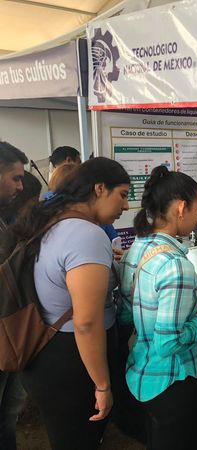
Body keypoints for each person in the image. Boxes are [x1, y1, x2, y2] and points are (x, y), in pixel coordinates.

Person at [8, 157, 130, 450]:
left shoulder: (51, 219)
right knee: (79, 439)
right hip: (72, 359)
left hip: (43, 352)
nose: (125, 206)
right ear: (99, 189)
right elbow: (87, 323)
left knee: (65, 437)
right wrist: (102, 385)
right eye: (123, 195)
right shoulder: (86, 234)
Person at [119, 165, 197, 450]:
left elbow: (128, 312)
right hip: (170, 382)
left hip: (140, 372)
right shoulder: (175, 266)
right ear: (180, 208)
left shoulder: (137, 247)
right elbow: (168, 343)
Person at [0, 141, 28, 450]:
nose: (20, 186)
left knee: (8, 413)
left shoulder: (6, 218)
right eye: (15, 178)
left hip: (11, 331)